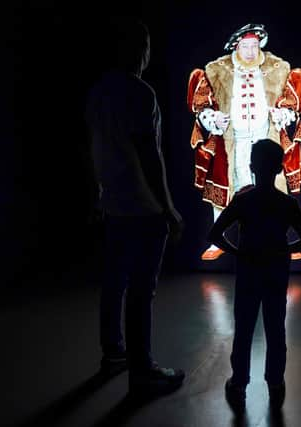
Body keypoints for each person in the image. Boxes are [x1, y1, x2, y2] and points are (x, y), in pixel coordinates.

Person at [84, 17, 185, 396]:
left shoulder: (97, 92)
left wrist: (95, 192)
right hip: (143, 210)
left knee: (113, 285)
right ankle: (142, 371)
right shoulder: (140, 94)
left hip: (113, 206)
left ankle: (114, 355)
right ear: (140, 50)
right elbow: (149, 155)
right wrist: (168, 207)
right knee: (142, 292)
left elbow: (91, 148)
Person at [187, 23, 301, 261]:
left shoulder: (278, 67)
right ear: (236, 46)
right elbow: (202, 103)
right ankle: (219, 240)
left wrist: (284, 113)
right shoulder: (216, 69)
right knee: (232, 185)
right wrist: (212, 117)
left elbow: (290, 100)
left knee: (273, 187)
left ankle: (282, 239)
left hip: (267, 138)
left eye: (254, 45)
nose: (251, 51)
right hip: (234, 139)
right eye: (245, 46)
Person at [207, 139, 301, 412]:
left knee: (244, 329)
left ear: (251, 166)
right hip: (276, 274)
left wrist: (238, 252)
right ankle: (275, 383)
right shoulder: (288, 204)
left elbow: (214, 234)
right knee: (276, 329)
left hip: (248, 274)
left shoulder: (243, 201)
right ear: (279, 168)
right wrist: (282, 250)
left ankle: (239, 381)